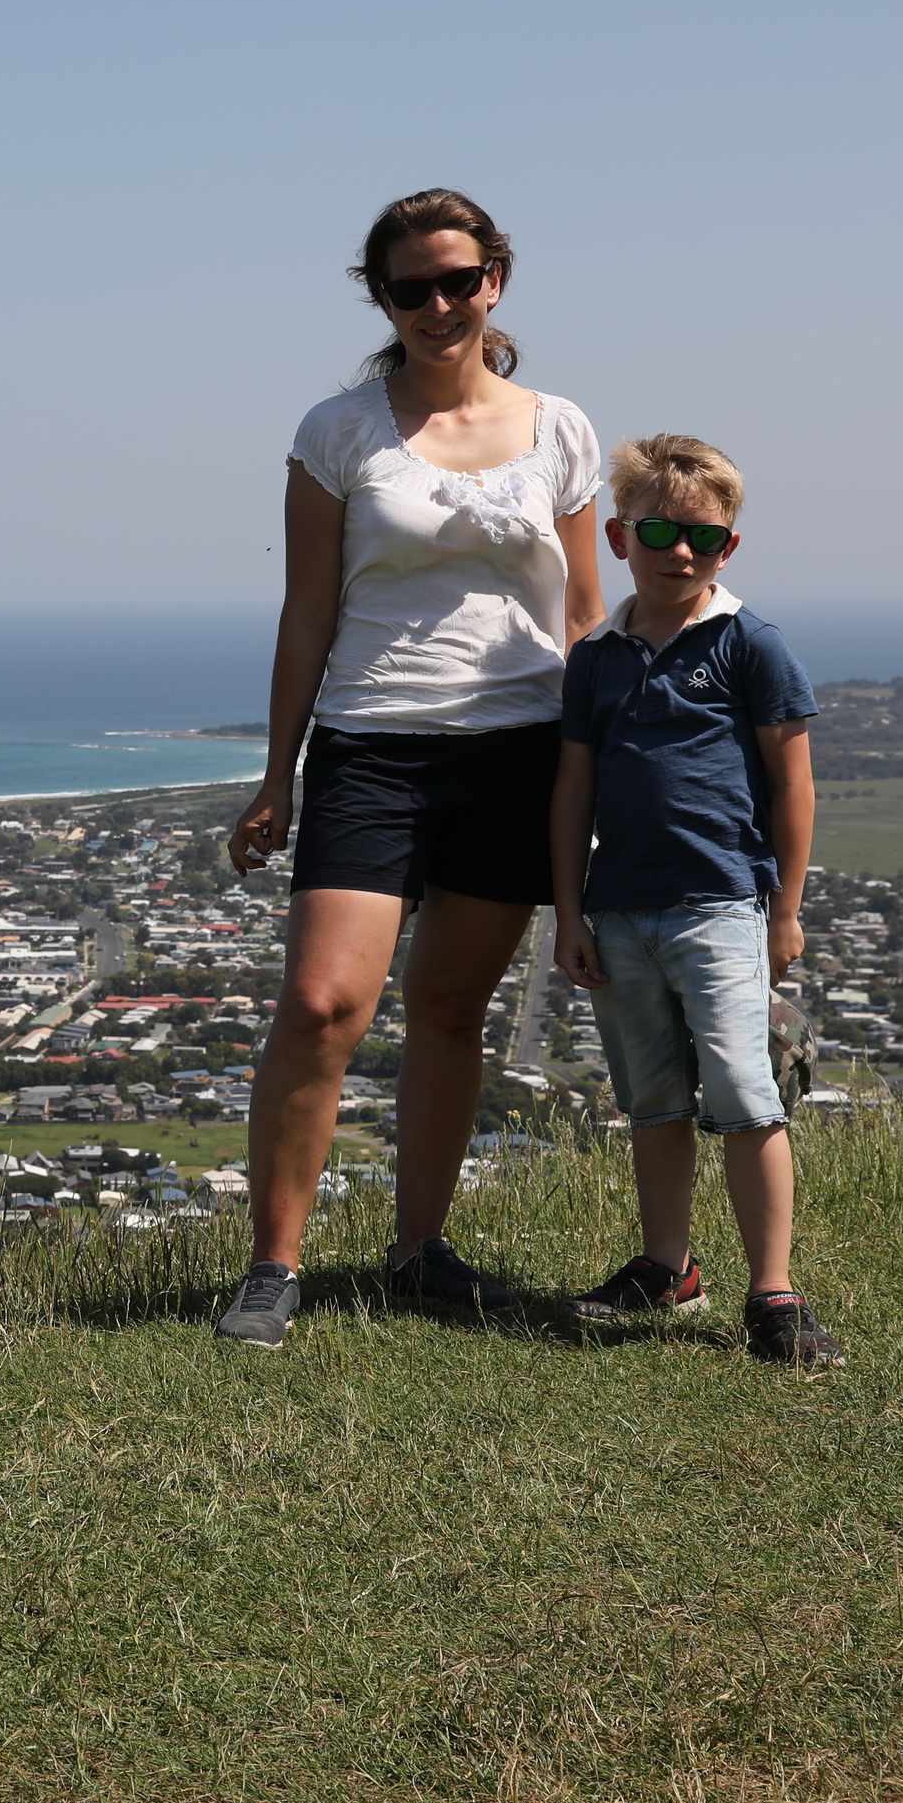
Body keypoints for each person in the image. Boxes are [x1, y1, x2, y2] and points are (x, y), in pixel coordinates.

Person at [213, 190, 604, 1349]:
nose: (437, 303)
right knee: (322, 1001)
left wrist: (598, 771)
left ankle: (418, 1250)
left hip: (521, 747)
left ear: (496, 281)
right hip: (374, 743)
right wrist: (277, 772)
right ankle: (273, 1266)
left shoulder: (562, 428)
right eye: (409, 288)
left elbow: (583, 617)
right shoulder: (337, 431)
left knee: (447, 1007)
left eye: (457, 279)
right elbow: (306, 611)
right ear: (379, 298)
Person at [549, 435, 843, 1363]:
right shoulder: (595, 657)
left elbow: (792, 784)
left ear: (729, 549)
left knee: (748, 1097)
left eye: (705, 538)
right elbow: (573, 791)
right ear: (618, 536)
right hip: (623, 909)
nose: (682, 551)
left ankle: (774, 1294)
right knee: (655, 1103)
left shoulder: (749, 641)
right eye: (661, 530)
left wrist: (784, 910)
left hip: (720, 900)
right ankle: (666, 1269)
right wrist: (568, 913)